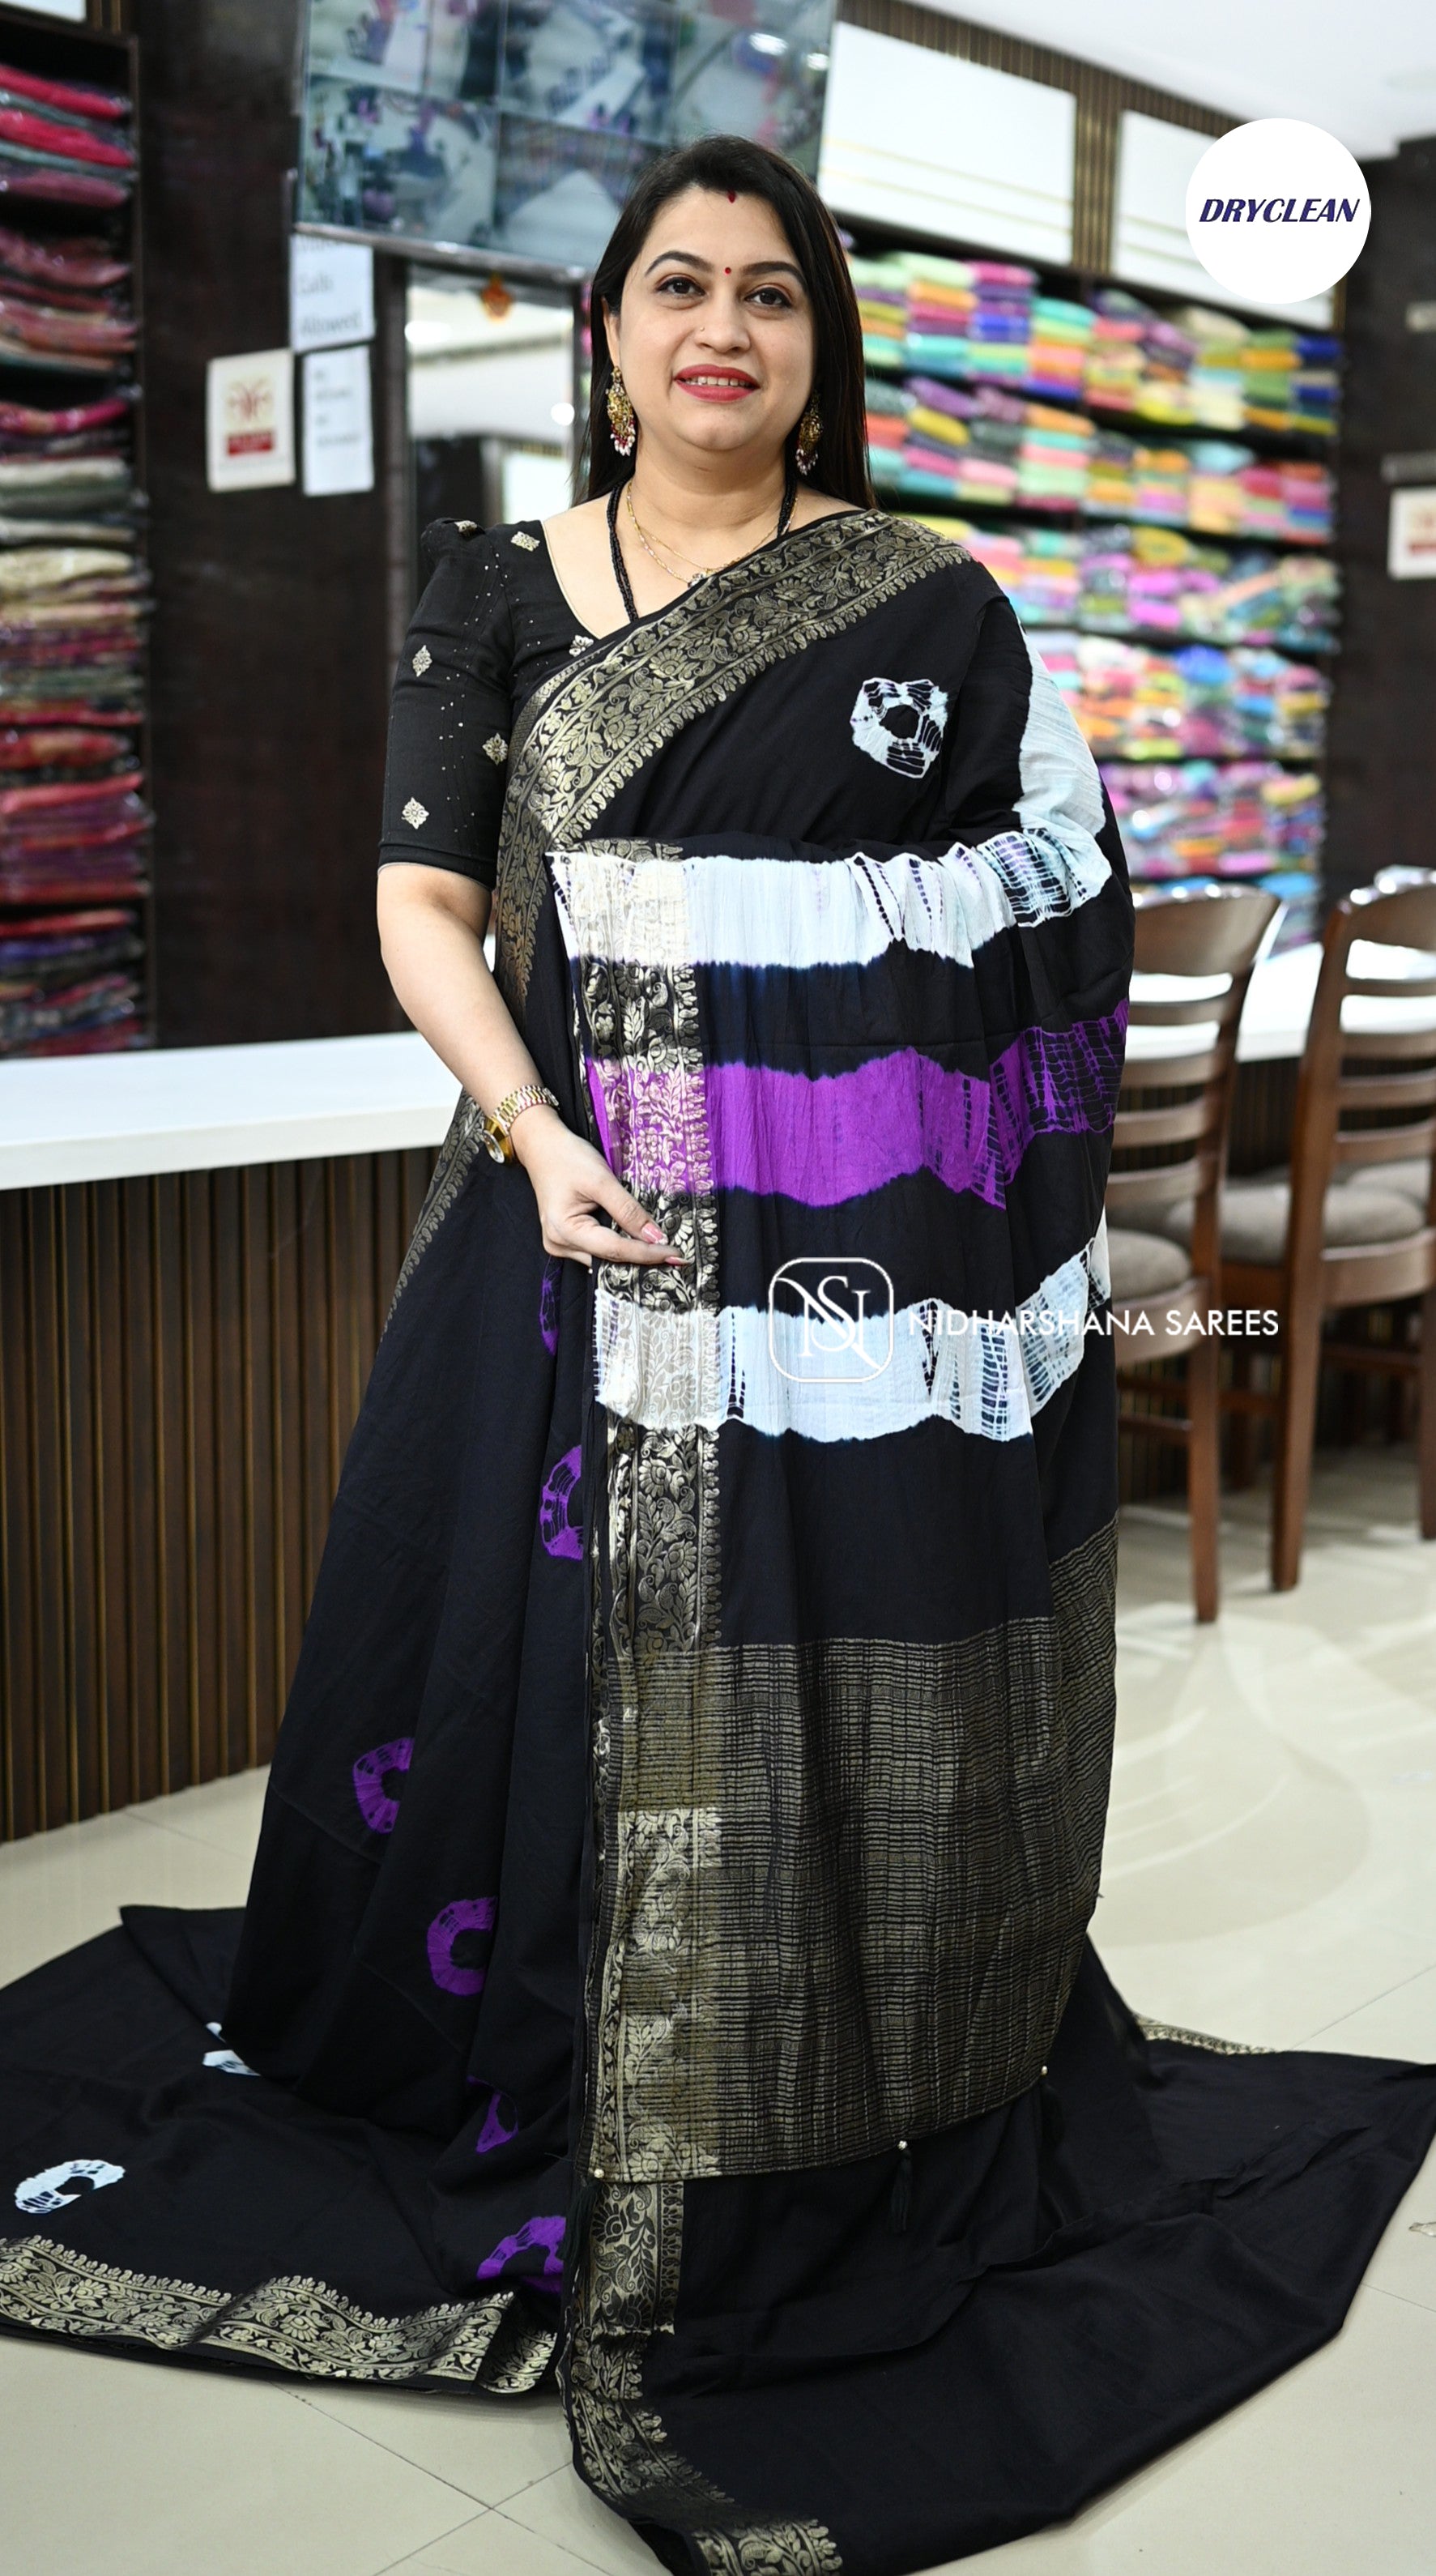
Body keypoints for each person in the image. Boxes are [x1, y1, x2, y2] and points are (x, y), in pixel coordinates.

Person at [1, 134, 1434, 2576]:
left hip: (848, 1290)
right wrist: (538, 1127)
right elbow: (422, 904)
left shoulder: (928, 604)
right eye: (680, 286)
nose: (723, 331)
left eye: (771, 294)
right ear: (608, 332)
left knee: (800, 1656)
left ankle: (806, 2080)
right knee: (526, 1668)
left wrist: (802, 996)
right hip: (569, 1225)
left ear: (816, 345)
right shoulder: (496, 586)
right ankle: (547, 2071)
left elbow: (1048, 916)